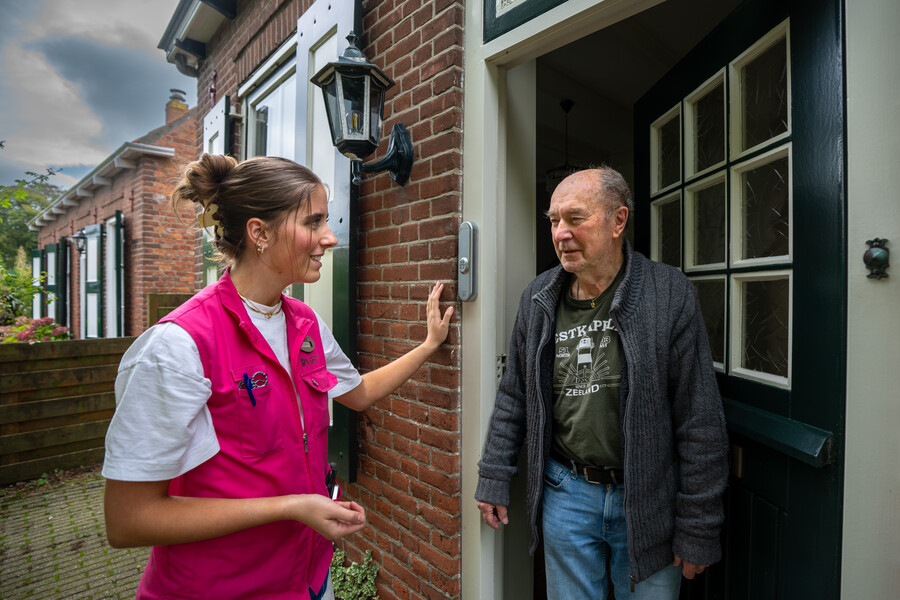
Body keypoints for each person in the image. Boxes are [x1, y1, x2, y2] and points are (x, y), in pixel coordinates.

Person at [102, 154, 453, 600]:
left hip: (308, 581)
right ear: (260, 233)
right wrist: (292, 507)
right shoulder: (177, 347)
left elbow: (360, 394)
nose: (330, 237)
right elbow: (129, 520)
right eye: (313, 222)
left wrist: (427, 345)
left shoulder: (305, 323)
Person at [474, 167, 729, 599]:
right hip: (565, 493)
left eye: (575, 218)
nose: (561, 233)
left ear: (618, 221)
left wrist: (699, 527)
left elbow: (699, 418)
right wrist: (494, 476)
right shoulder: (538, 298)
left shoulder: (668, 293)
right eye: (554, 221)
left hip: (648, 500)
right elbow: (514, 394)